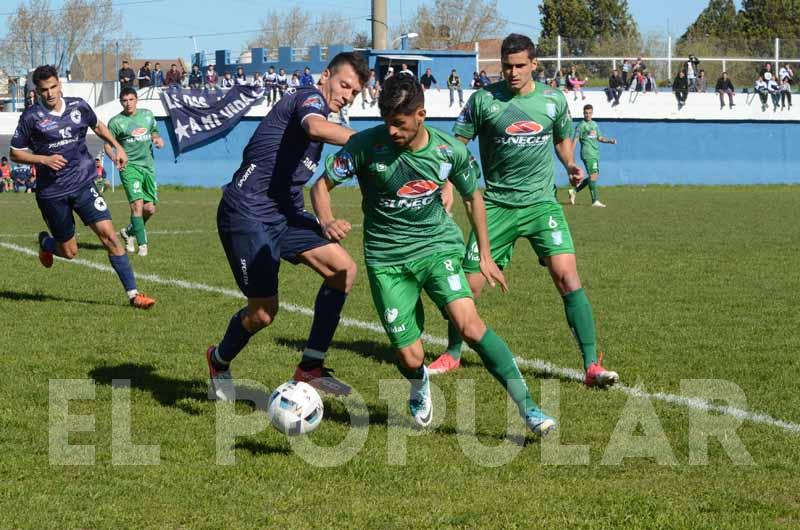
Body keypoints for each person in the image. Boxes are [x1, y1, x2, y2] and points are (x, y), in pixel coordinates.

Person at [312, 74, 557, 435]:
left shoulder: (448, 151)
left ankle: (530, 409)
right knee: (410, 356)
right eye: (387, 122)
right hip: (387, 261)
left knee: (470, 326)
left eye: (400, 123)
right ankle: (418, 383)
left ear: (421, 115)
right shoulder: (365, 146)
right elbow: (321, 184)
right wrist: (327, 220)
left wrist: (485, 256)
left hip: (437, 247)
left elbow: (474, 196)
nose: (392, 131)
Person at [430, 34, 619, 390]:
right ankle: (453, 353)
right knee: (467, 287)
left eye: (520, 66)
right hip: (497, 205)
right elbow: (457, 145)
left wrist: (569, 164)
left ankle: (592, 365)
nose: (513, 72)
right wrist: (448, 184)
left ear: (534, 64)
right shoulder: (484, 100)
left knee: (566, 275)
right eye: (507, 66)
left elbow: (563, 138)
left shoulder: (552, 99)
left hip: (540, 204)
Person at [207, 52, 370, 402]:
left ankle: (310, 367)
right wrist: (365, 139)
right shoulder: (307, 98)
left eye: (354, 93)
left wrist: (325, 220)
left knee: (344, 269)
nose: (346, 95)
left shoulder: (323, 122)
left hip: (285, 214)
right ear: (325, 76)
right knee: (264, 314)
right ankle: (219, 360)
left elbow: (312, 180)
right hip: (246, 213)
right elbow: (314, 125)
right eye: (344, 85)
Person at [9, 65, 155, 309]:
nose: (50, 93)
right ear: (37, 91)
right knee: (69, 252)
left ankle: (133, 295)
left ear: (60, 85)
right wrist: (44, 159)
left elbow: (97, 125)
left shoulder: (78, 106)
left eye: (54, 87)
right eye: (44, 90)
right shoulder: (31, 117)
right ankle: (46, 243)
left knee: (110, 237)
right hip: (52, 193)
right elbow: (15, 152)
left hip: (83, 184)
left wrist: (117, 147)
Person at [107, 87, 164, 258]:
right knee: (137, 205)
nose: (128, 103)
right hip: (129, 167)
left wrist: (157, 138)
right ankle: (143, 245)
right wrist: (115, 158)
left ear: (136, 100)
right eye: (125, 100)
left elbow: (155, 131)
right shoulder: (116, 122)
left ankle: (129, 232)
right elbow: (107, 145)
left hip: (147, 167)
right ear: (121, 102)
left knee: (150, 209)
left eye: (131, 99)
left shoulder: (147, 115)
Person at [569, 105, 616, 208]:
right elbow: (575, 140)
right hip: (587, 153)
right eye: (586, 113)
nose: (588, 115)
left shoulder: (594, 124)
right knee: (593, 175)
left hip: (595, 153)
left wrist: (609, 141)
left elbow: (599, 138)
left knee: (593, 176)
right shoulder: (580, 126)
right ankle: (594, 201)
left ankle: (574, 191)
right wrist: (570, 155)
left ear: (592, 113)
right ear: (583, 113)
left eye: (590, 113)